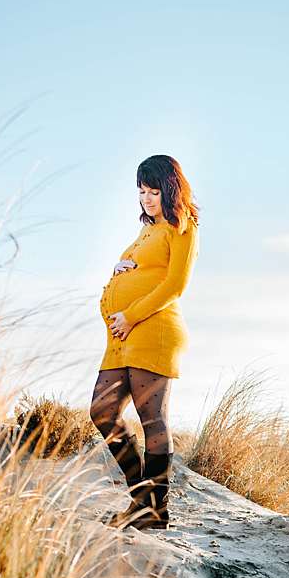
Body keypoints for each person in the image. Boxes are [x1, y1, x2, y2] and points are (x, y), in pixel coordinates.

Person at [90, 155, 200, 533]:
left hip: (152, 329)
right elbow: (138, 269)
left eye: (153, 191)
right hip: (120, 336)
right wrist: (117, 270)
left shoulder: (182, 227)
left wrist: (131, 313)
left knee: (152, 419)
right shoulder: (146, 230)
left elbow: (174, 285)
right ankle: (142, 499)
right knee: (102, 411)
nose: (147, 199)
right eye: (141, 192)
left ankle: (154, 511)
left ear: (169, 189)